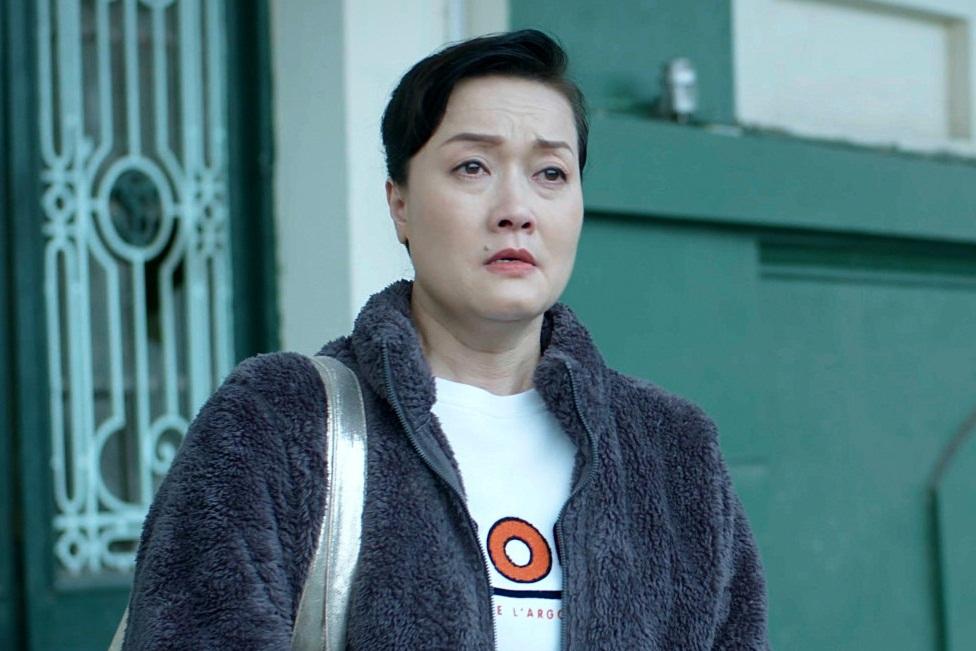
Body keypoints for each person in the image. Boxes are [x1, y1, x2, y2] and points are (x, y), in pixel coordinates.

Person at [123, 29, 769, 650]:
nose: (516, 209)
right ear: (399, 203)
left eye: (550, 172)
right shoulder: (279, 420)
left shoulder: (672, 453)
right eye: (472, 166)